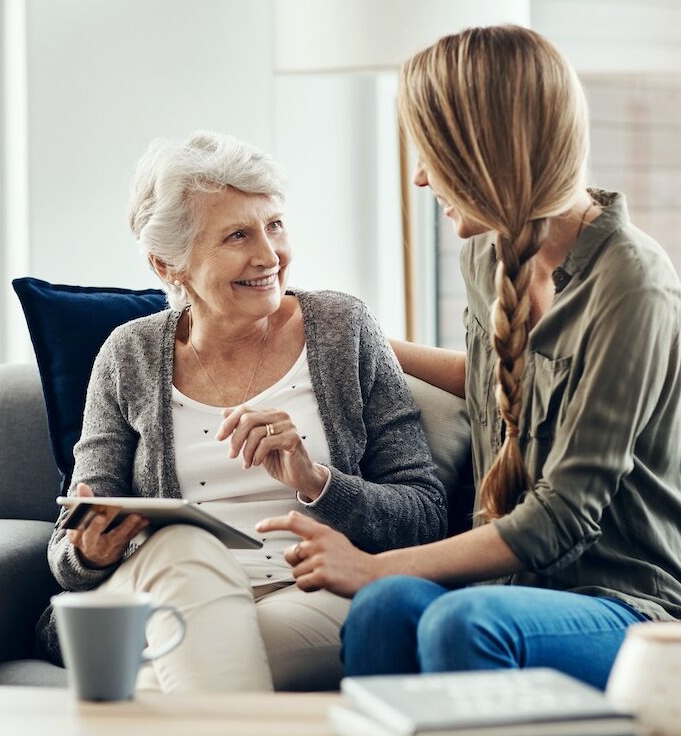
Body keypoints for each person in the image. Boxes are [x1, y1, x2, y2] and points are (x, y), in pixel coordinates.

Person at [257, 25, 681, 690]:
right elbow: (499, 379)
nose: (417, 175)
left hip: (628, 606)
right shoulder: (484, 255)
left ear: (489, 151)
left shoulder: (632, 282)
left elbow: (565, 512)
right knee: (384, 611)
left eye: (432, 153)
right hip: (501, 587)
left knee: (456, 622)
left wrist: (377, 563)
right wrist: (352, 337)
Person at [36, 130, 447, 693]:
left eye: (274, 224)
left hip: (305, 595)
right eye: (237, 235)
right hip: (163, 590)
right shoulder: (127, 355)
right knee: (181, 547)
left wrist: (316, 481)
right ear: (167, 265)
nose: (268, 255)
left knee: (175, 668)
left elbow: (425, 513)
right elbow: (70, 542)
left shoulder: (342, 328)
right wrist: (88, 550)